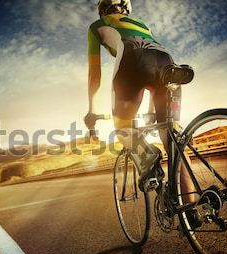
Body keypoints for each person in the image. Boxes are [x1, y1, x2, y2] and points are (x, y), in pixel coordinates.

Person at [84, 0, 201, 227]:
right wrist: (150, 111)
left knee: (122, 129)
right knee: (172, 135)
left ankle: (149, 157)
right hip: (167, 62)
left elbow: (94, 74)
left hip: (132, 60)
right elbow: (152, 65)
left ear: (102, 10)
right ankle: (191, 209)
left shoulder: (96, 26)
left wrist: (91, 112)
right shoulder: (142, 24)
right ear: (126, 8)